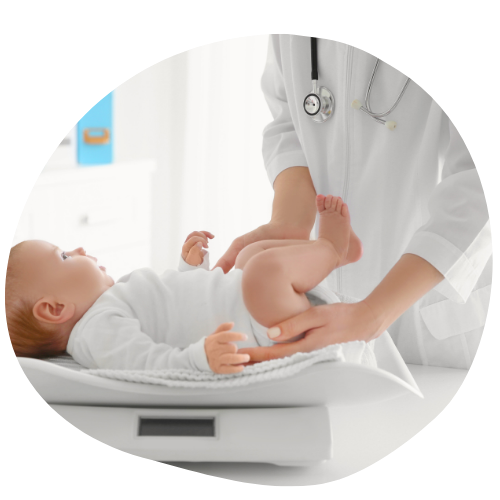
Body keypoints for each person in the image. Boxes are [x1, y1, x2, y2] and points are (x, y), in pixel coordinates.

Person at [215, 35, 492, 369]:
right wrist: (290, 221)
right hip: (321, 297)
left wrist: (374, 313)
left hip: (428, 318)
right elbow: (289, 120)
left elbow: (474, 185)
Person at [6, 195, 375, 373]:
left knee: (251, 257)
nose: (79, 249)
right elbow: (149, 365)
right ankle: (330, 248)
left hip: (250, 305)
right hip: (262, 326)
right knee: (262, 271)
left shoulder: (108, 305)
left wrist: (190, 268)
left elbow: (176, 310)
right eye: (64, 256)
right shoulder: (96, 333)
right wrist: (200, 358)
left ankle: (330, 255)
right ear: (54, 309)